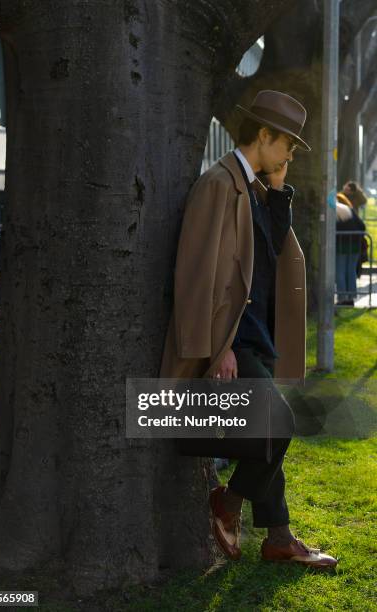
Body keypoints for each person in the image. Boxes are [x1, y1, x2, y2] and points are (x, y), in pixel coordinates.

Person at [160, 90, 337, 568]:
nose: (292, 155)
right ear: (264, 135)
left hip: (253, 335)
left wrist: (279, 189)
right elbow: (198, 273)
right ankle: (230, 503)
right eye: (289, 145)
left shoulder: (252, 187)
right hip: (231, 341)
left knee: (269, 431)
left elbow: (270, 251)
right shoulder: (219, 184)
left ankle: (278, 537)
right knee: (278, 424)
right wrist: (217, 349)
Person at [335, 196, 366, 306]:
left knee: (340, 271)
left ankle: (342, 298)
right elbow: (362, 225)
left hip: (341, 246)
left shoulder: (333, 212)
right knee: (351, 271)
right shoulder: (348, 209)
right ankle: (351, 298)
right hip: (355, 245)